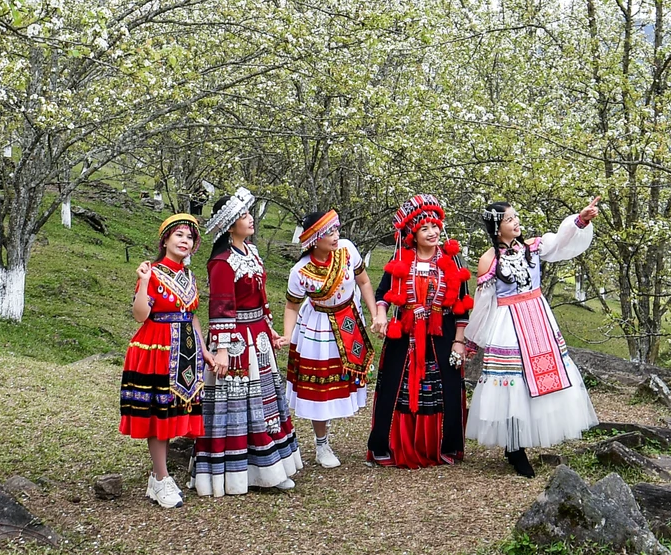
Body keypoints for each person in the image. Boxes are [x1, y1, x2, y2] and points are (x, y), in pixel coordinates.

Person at [463, 196, 603, 476]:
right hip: (508, 322)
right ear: (496, 227)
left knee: (540, 378)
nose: (516, 223)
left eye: (515, 217)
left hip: (537, 317)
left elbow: (561, 243)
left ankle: (527, 437)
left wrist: (581, 219)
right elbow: (484, 303)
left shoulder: (533, 247)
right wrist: (473, 339)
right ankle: (514, 448)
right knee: (512, 384)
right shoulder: (489, 260)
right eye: (509, 220)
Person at [194, 188, 303, 496]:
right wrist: (224, 352)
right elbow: (221, 308)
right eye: (243, 215)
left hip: (258, 338)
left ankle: (271, 466)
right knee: (243, 404)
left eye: (247, 213)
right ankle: (249, 471)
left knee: (267, 401)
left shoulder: (251, 253)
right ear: (230, 225)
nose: (250, 218)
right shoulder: (221, 263)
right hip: (236, 342)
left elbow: (261, 298)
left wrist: (270, 332)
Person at [366, 194, 474, 468]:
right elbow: (383, 294)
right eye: (425, 228)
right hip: (405, 337)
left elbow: (462, 305)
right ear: (412, 233)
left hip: (442, 336)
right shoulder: (401, 259)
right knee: (396, 389)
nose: (433, 232)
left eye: (435, 226)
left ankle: (441, 447)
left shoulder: (452, 261)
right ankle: (392, 447)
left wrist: (459, 341)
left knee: (442, 390)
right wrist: (380, 315)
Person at [120, 212, 208, 508]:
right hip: (156, 347)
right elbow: (140, 315)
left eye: (190, 237)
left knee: (171, 414)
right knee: (159, 416)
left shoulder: (189, 276)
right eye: (180, 235)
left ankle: (158, 478)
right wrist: (143, 282)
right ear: (166, 239)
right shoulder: (152, 272)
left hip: (184, 350)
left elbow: (191, 316)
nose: (185, 241)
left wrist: (204, 350)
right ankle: (160, 478)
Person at [282, 207, 377, 468]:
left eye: (335, 230)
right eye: (328, 233)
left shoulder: (347, 250)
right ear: (314, 240)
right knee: (319, 387)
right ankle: (321, 443)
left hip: (349, 320)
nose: (335, 237)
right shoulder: (301, 271)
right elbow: (291, 306)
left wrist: (375, 313)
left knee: (345, 379)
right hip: (318, 327)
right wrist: (287, 336)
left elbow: (364, 282)